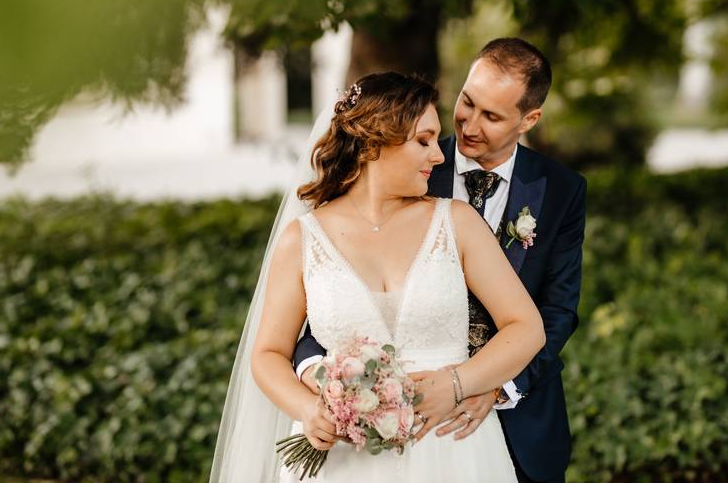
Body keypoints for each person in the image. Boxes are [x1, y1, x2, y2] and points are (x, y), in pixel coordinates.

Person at [210, 71, 545, 482]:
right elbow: (268, 355)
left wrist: (458, 383)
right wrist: (308, 411)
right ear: (373, 144)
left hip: (453, 453)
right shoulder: (302, 239)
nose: (439, 155)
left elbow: (527, 328)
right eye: (423, 141)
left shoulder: (457, 223)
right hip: (343, 462)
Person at [295, 39, 586, 482]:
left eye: (492, 116)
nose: (469, 123)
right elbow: (331, 296)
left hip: (516, 417)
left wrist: (489, 385)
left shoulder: (561, 190)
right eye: (468, 102)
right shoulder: (407, 166)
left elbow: (557, 312)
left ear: (529, 119)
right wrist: (334, 383)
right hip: (380, 429)